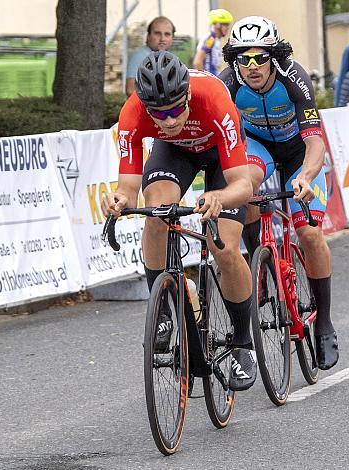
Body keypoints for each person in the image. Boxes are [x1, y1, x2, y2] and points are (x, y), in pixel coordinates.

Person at [102, 51, 258, 391]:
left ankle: (243, 341)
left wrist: (218, 197)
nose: (169, 120)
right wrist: (118, 201)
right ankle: (162, 309)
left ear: (187, 95)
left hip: (221, 155)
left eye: (175, 110)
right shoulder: (133, 112)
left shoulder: (213, 98)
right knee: (156, 212)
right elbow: (128, 187)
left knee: (225, 248)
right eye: (159, 114)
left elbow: (242, 185)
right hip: (175, 153)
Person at [220, 16, 338, 370]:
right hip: (258, 146)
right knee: (247, 184)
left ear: (274, 55)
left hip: (299, 150)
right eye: (243, 58)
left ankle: (325, 325)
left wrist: (306, 176)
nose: (252, 66)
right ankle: (261, 266)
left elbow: (315, 140)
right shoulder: (227, 84)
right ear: (234, 60)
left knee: (309, 234)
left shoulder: (294, 78)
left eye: (259, 57)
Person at [125, 17, 175, 97]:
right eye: (157, 33)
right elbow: (130, 90)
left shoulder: (170, 58)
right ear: (148, 36)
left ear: (172, 38)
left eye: (167, 34)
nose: (162, 39)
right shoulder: (141, 56)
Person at [193, 8, 233, 76]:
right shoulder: (210, 39)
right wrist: (204, 79)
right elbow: (197, 62)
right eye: (225, 24)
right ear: (217, 25)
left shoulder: (216, 40)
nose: (227, 28)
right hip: (208, 80)